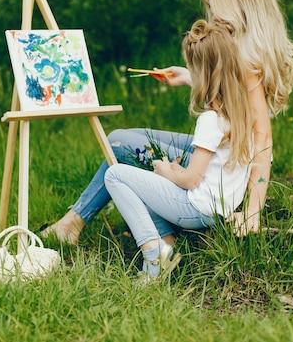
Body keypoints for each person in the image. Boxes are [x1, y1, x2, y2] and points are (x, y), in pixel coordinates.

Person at [41, 0, 293, 245]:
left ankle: (79, 223)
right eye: (210, 5)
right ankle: (80, 221)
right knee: (124, 139)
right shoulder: (239, 46)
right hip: (224, 156)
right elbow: (231, 92)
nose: (212, 15)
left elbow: (262, 138)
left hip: (223, 168)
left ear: (242, 4)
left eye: (218, 7)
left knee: (119, 143)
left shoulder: (248, 58)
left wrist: (253, 210)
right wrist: (189, 76)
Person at [105, 18, 255, 279]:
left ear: (203, 75)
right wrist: (172, 172)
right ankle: (166, 244)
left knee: (116, 175)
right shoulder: (241, 114)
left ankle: (153, 255)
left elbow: (191, 179)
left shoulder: (211, 119)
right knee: (144, 184)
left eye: (191, 70)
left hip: (197, 209)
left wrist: (167, 172)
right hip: (221, 209)